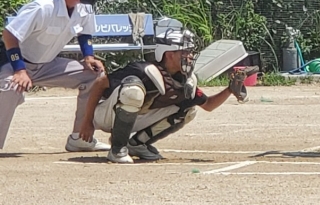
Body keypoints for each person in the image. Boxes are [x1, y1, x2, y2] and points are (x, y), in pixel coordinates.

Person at [79, 27, 252, 163]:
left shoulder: (185, 80)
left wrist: (230, 90)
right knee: (133, 91)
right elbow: (100, 83)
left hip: (137, 118)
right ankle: (117, 149)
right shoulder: (143, 70)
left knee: (189, 110)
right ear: (169, 54)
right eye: (185, 52)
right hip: (106, 115)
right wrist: (87, 122)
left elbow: (208, 105)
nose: (190, 56)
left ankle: (136, 144)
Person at [0, 0, 109, 152]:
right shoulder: (43, 7)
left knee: (95, 76)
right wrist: (19, 70)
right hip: (15, 63)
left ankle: (80, 138)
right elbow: (9, 35)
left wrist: (89, 56)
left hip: (47, 65)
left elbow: (84, 33)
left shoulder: (84, 6)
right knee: (10, 87)